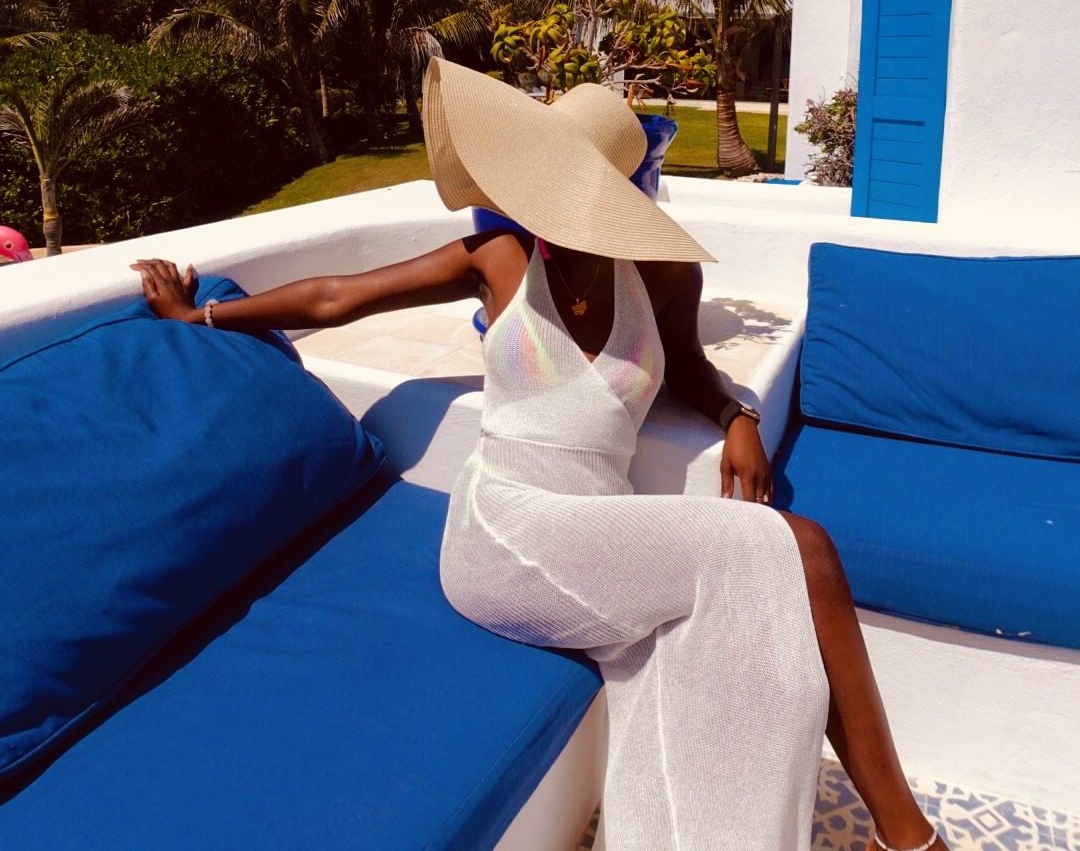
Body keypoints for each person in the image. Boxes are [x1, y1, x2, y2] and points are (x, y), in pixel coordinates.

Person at [131, 58, 947, 851]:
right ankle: (909, 839)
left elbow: (689, 368)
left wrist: (735, 414)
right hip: (504, 530)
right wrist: (197, 319)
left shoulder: (659, 275)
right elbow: (338, 296)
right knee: (798, 550)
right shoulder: (498, 257)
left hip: (598, 520)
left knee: (722, 621)